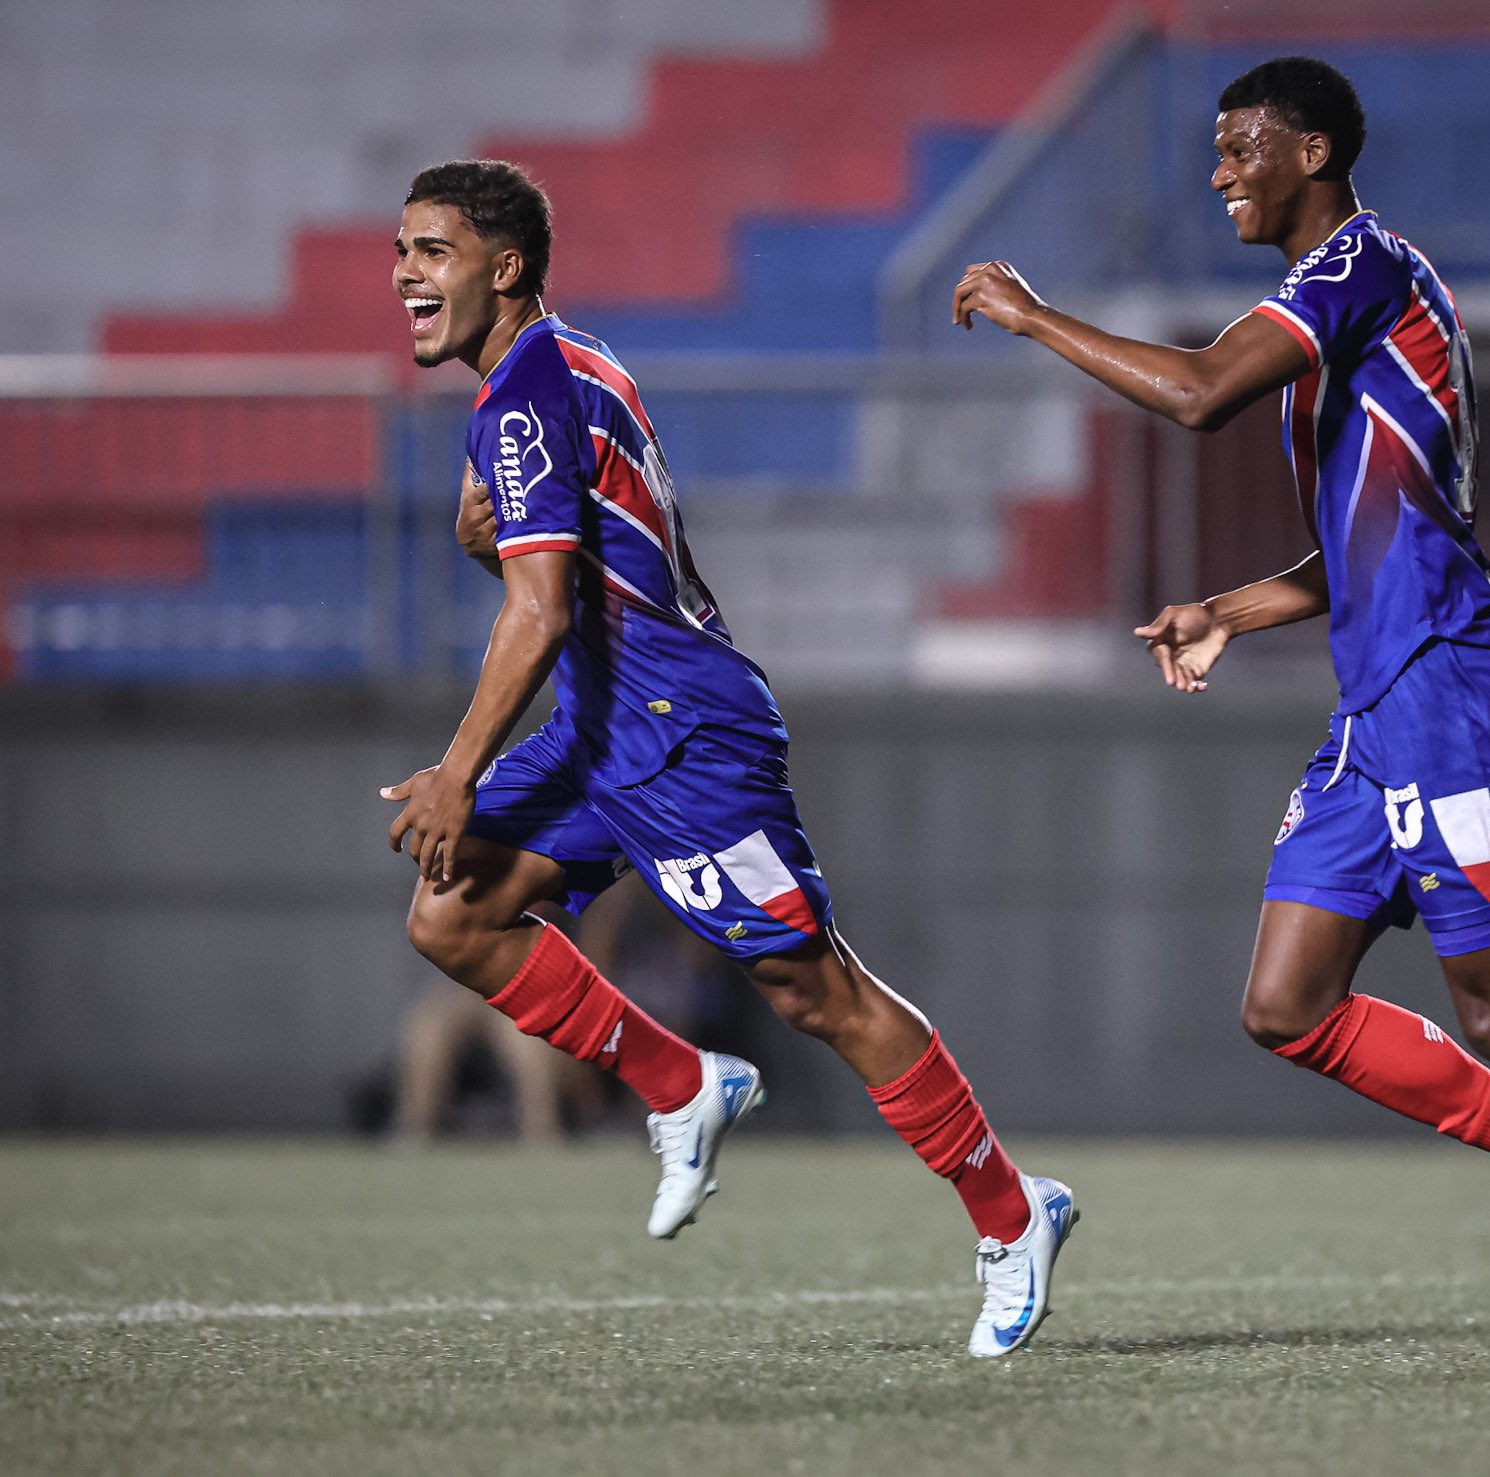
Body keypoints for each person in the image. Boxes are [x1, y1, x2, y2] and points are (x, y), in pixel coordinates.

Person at [952, 57, 1490, 1377]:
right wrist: (1233, 609)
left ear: (1312, 150)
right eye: (1216, 146)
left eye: (1242, 145)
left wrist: (1035, 316)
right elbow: (1374, 540)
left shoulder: (1360, 270)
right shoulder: (1359, 307)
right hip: (1382, 704)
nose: (1219, 169)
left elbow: (1195, 396)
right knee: (1287, 1003)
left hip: (1451, 688)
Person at [383, 159, 1075, 1357]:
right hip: (606, 726)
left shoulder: (526, 394)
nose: (403, 272)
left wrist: (456, 766)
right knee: (451, 918)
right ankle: (681, 1085)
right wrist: (480, 538)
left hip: (683, 732)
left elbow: (539, 611)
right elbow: (551, 571)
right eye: (399, 250)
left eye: (430, 251)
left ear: (504, 268)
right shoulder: (565, 364)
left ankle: (1014, 1215)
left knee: (818, 991)